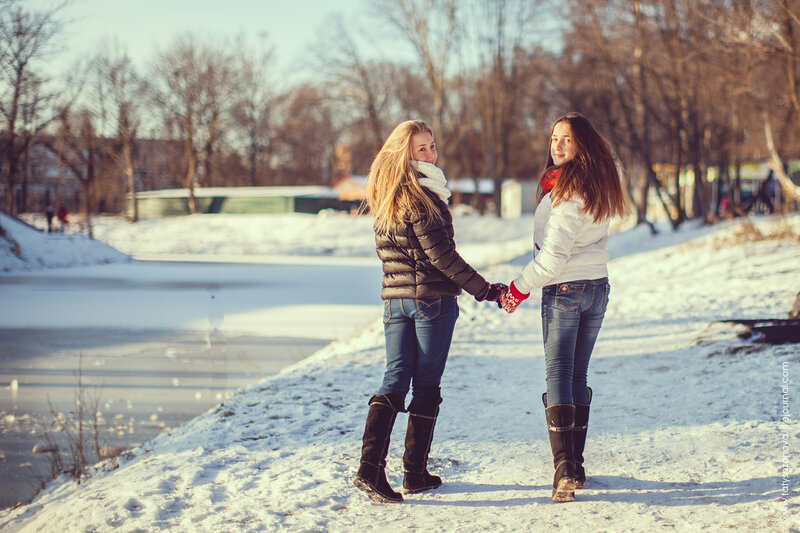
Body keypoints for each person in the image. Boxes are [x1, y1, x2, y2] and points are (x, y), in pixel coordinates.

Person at [354, 119, 507, 503]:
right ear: (405, 154)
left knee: (395, 377)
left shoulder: (387, 196)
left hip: (395, 301)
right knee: (424, 386)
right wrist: (485, 290)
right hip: (431, 303)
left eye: (432, 146)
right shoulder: (424, 197)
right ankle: (411, 472)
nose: (430, 153)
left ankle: (373, 469)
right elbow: (441, 256)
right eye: (422, 149)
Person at [499, 112, 626, 503]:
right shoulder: (601, 182)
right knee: (576, 373)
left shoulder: (569, 192)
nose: (557, 146)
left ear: (581, 144)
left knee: (559, 373)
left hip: (566, 289)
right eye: (554, 138)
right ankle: (576, 465)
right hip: (597, 287)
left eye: (566, 140)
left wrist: (516, 290)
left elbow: (553, 258)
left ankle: (564, 469)